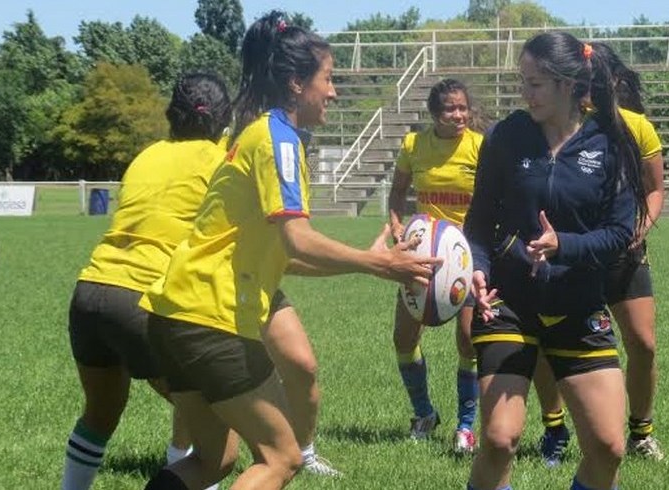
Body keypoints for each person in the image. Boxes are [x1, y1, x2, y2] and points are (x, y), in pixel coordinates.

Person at [139, 12, 438, 490]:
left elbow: (287, 255)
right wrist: (379, 263)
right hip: (212, 318)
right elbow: (298, 238)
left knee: (212, 462)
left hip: (174, 314)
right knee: (281, 458)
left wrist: (365, 265)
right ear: (297, 83)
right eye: (329, 79)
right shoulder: (278, 137)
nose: (335, 91)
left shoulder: (259, 133)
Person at [463, 32, 647, 490]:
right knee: (501, 440)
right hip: (509, 302)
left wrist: (563, 245)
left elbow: (621, 233)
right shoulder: (506, 136)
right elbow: (479, 222)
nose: (525, 93)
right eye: (522, 81)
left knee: (608, 448)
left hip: (578, 303)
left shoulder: (611, 143)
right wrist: (478, 268)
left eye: (536, 84)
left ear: (568, 85)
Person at [61, 72, 232, 490]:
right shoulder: (219, 161)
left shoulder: (146, 154)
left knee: (101, 413)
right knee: (219, 428)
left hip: (91, 289)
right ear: (223, 122)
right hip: (143, 300)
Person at [532, 41, 667, 464]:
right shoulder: (560, 127)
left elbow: (655, 190)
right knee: (544, 342)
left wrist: (637, 232)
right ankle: (554, 427)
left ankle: (641, 432)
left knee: (642, 344)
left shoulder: (636, 127)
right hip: (570, 255)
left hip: (624, 256)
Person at [387, 78, 484, 453]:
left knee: (468, 338)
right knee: (404, 338)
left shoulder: (480, 146)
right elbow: (397, 193)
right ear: (433, 113)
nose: (458, 115)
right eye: (449, 109)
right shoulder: (414, 145)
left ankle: (465, 427)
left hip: (466, 255)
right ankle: (424, 413)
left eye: (462, 107)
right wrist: (397, 229)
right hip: (422, 254)